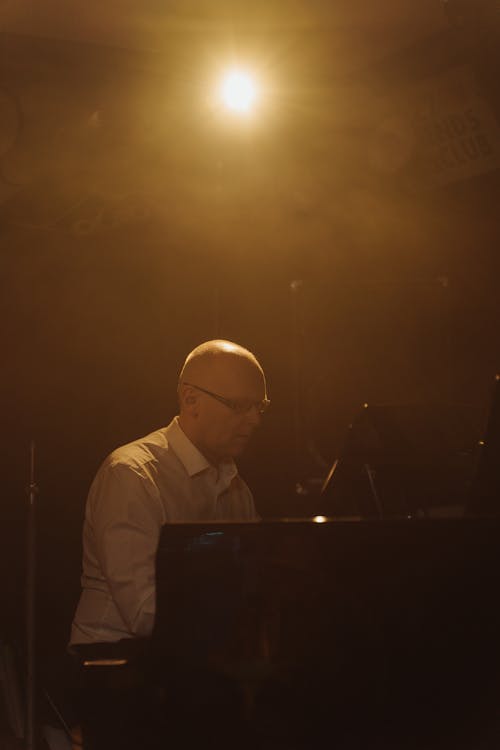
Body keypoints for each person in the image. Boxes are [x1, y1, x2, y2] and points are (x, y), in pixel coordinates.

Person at [70, 339, 269, 647]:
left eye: (260, 406)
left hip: (180, 664)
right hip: (114, 669)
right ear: (190, 400)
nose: (255, 420)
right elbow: (144, 612)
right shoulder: (132, 474)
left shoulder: (237, 487)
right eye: (241, 406)